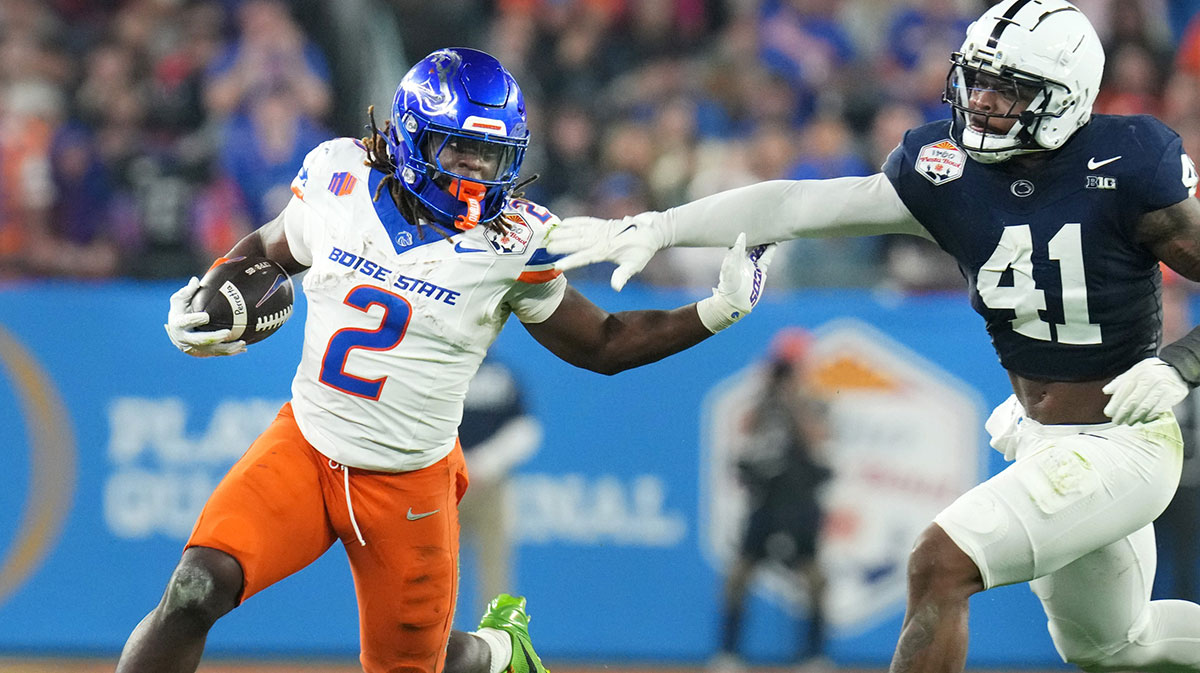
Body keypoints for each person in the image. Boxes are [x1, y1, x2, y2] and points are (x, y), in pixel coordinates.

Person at [547, 1, 1200, 671]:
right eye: (977, 80)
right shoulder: (946, 172)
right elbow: (796, 206)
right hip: (1040, 438)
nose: (983, 101)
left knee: (940, 562)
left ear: (1067, 98)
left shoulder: (1130, 165)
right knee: (1116, 645)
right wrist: (660, 225)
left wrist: (1180, 363)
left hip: (1126, 440)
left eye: (1008, 89)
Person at [120, 47, 776, 673]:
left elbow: (601, 344)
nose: (475, 173)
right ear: (409, 138)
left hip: (409, 484)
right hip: (306, 445)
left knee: (414, 666)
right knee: (194, 587)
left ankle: (496, 651)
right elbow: (272, 244)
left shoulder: (512, 243)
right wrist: (216, 284)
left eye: (493, 158)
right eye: (460, 149)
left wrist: (716, 309)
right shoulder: (338, 177)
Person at [715, 328, 832, 671]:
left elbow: (818, 440)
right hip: (765, 498)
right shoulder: (764, 401)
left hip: (799, 501)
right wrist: (766, 389)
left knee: (814, 579)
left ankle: (813, 655)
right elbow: (746, 429)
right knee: (738, 576)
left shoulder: (815, 401)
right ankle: (728, 652)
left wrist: (793, 399)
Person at [457, 355, 542, 617]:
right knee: (434, 568)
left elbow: (525, 428)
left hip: (488, 486)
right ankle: (434, 646)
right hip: (440, 484)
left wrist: (485, 462)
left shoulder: (501, 376)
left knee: (494, 568)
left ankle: (494, 644)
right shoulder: (437, 368)